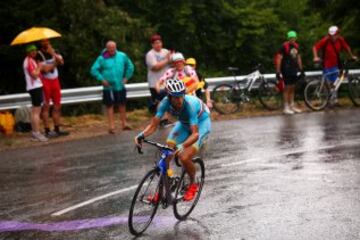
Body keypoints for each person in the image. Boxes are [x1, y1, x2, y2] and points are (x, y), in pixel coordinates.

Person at [135, 78, 211, 201]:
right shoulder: (164, 103)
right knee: (166, 152)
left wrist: (182, 146)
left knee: (184, 156)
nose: (179, 100)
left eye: (181, 96)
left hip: (201, 124)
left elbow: (195, 134)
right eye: (176, 97)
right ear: (169, 97)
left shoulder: (189, 105)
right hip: (184, 123)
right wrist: (141, 135)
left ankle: (193, 184)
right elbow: (154, 125)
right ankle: (165, 186)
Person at [90, 40, 134, 133]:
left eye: (113, 48)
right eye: (109, 49)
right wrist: (101, 79)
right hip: (108, 86)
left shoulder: (122, 56)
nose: (112, 50)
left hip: (120, 85)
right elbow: (94, 70)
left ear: (116, 47)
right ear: (107, 48)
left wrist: (126, 78)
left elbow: (130, 66)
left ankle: (124, 123)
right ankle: (111, 126)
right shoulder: (102, 58)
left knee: (122, 104)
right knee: (109, 105)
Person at [313, 25, 358, 103]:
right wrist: (315, 57)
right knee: (328, 83)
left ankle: (334, 100)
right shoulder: (325, 40)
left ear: (338, 34)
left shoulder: (340, 40)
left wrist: (352, 56)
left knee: (335, 83)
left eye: (334, 35)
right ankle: (326, 101)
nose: (332, 37)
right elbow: (315, 47)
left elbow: (347, 48)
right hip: (326, 64)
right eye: (330, 35)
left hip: (335, 64)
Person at [36, 39, 68, 137]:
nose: (46, 43)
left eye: (47, 41)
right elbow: (45, 69)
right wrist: (55, 63)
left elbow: (62, 62)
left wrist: (52, 53)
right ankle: (47, 130)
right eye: (43, 42)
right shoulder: (38, 54)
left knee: (57, 106)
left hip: (55, 81)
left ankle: (57, 128)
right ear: (40, 43)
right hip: (45, 82)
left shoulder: (54, 51)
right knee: (46, 107)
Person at [275, 30, 305, 115]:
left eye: (294, 37)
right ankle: (286, 107)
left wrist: (301, 69)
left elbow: (298, 58)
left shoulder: (296, 46)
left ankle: (292, 105)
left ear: (296, 38)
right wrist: (278, 71)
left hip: (294, 69)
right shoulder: (284, 46)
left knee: (293, 87)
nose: (293, 39)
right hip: (286, 69)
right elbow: (279, 58)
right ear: (288, 38)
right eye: (291, 38)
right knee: (287, 88)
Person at [23, 44, 48, 142]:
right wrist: (39, 66)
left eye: (35, 50)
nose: (34, 52)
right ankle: (36, 133)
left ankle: (35, 132)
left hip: (34, 87)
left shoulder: (30, 60)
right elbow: (34, 75)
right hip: (34, 87)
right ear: (28, 52)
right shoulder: (28, 61)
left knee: (35, 111)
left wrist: (38, 66)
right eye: (31, 51)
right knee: (37, 111)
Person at [145, 34, 172, 113]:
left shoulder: (166, 51)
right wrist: (167, 60)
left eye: (159, 42)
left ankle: (164, 119)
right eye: (156, 43)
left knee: (167, 100)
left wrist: (173, 57)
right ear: (152, 44)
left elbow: (172, 64)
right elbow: (155, 67)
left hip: (166, 82)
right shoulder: (150, 54)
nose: (158, 44)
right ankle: (158, 118)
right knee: (159, 101)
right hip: (154, 82)